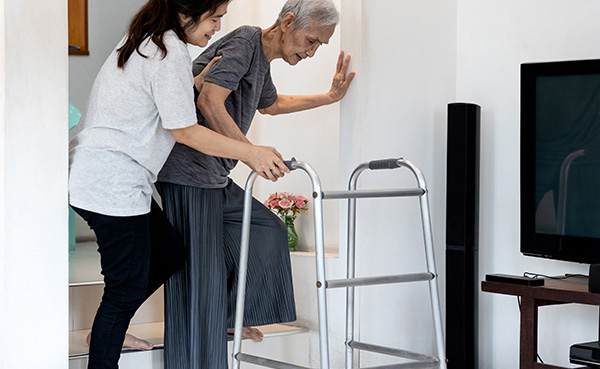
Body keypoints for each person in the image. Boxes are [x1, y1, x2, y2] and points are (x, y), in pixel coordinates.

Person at [68, 0, 291, 367]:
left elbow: (149, 96)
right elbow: (185, 131)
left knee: (168, 251)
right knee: (125, 288)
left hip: (108, 176)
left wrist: (193, 82)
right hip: (111, 183)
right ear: (188, 12)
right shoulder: (168, 50)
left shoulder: (150, 39)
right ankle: (104, 348)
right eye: (215, 17)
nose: (218, 27)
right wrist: (249, 153)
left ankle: (109, 326)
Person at [155, 0, 355, 368]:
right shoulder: (245, 42)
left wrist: (329, 98)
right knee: (200, 277)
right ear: (288, 21)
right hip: (187, 172)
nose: (311, 52)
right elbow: (210, 100)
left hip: (213, 175)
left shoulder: (260, 59)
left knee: (268, 231)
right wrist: (251, 153)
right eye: (311, 41)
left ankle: (231, 317)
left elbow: (272, 104)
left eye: (318, 47)